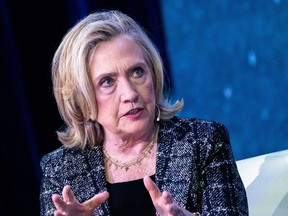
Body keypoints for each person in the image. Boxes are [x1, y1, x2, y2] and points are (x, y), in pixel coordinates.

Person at [40, 9, 249, 216]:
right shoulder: (61, 169)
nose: (130, 94)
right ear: (83, 101)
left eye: (137, 72)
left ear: (154, 75)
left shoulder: (204, 142)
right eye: (107, 82)